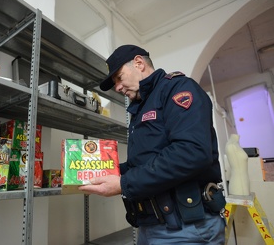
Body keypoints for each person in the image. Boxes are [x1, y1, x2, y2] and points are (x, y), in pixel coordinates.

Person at [79, 45, 226, 244]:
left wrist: (123, 184)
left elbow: (191, 152)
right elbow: (142, 164)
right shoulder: (141, 107)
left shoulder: (178, 88)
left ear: (139, 63)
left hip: (186, 227)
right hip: (151, 225)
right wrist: (99, 170)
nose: (118, 88)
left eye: (119, 78)